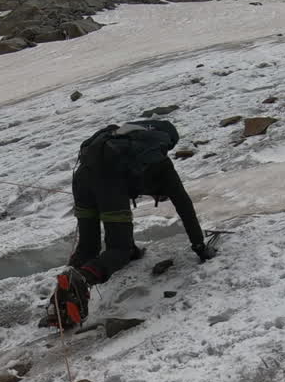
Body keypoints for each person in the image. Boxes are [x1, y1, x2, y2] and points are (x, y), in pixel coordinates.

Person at [48, 119, 215, 328]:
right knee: (120, 249)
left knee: (88, 247)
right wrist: (200, 246)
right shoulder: (161, 164)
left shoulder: (119, 144)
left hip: (82, 177)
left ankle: (60, 305)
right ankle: (82, 279)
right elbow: (184, 206)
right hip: (109, 183)